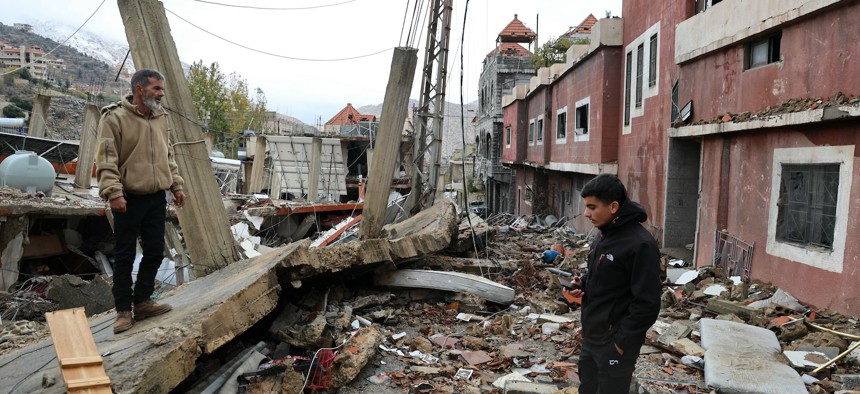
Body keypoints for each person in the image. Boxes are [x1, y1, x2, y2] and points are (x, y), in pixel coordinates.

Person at [96, 69, 186, 334]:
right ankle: (123, 311)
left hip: (156, 198)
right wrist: (114, 193)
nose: (161, 94)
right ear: (139, 90)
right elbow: (105, 159)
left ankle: (143, 302)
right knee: (124, 256)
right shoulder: (114, 118)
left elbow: (167, 155)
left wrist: (176, 185)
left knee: (156, 251)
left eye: (161, 89)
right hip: (128, 198)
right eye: (156, 89)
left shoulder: (161, 118)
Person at [564, 174, 661, 393]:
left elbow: (648, 303)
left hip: (615, 344)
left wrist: (620, 344)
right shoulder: (604, 236)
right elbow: (606, 278)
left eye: (592, 207)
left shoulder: (640, 244)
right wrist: (582, 284)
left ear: (614, 206)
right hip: (592, 337)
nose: (586, 214)